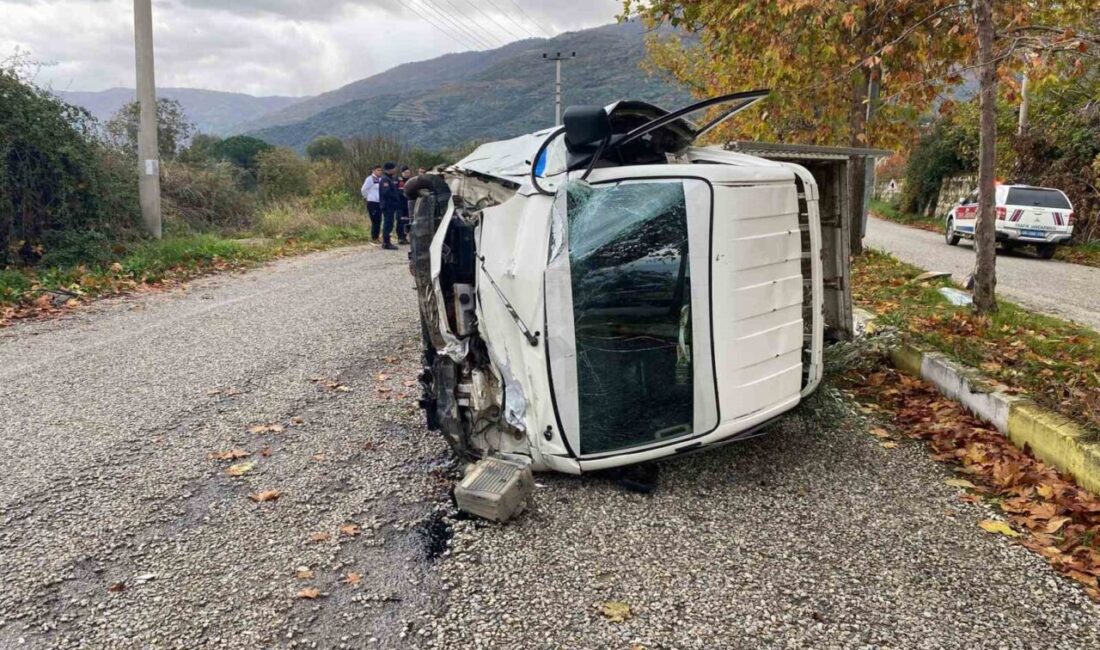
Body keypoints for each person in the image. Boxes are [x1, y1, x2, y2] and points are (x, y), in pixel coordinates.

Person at [379, 162, 402, 250]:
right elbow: (386, 192)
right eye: (394, 168)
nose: (395, 170)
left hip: (391, 205)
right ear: (390, 169)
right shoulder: (385, 179)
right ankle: (386, 242)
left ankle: (387, 241)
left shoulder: (390, 178)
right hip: (388, 205)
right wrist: (395, 197)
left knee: (390, 223)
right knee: (388, 224)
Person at [360, 165, 383, 242]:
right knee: (375, 220)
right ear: (373, 171)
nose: (380, 172)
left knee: (379, 220)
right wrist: (367, 197)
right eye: (378, 170)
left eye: (380, 170)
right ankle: (374, 237)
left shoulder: (381, 179)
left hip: (379, 202)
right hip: (372, 202)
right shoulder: (370, 179)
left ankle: (376, 237)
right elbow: (363, 189)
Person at [396, 166, 413, 245]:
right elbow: (396, 192)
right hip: (400, 204)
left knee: (407, 221)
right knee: (400, 221)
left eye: (408, 173)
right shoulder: (398, 181)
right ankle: (400, 238)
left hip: (408, 204)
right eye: (405, 173)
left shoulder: (411, 181)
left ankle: (405, 237)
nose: (407, 174)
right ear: (402, 173)